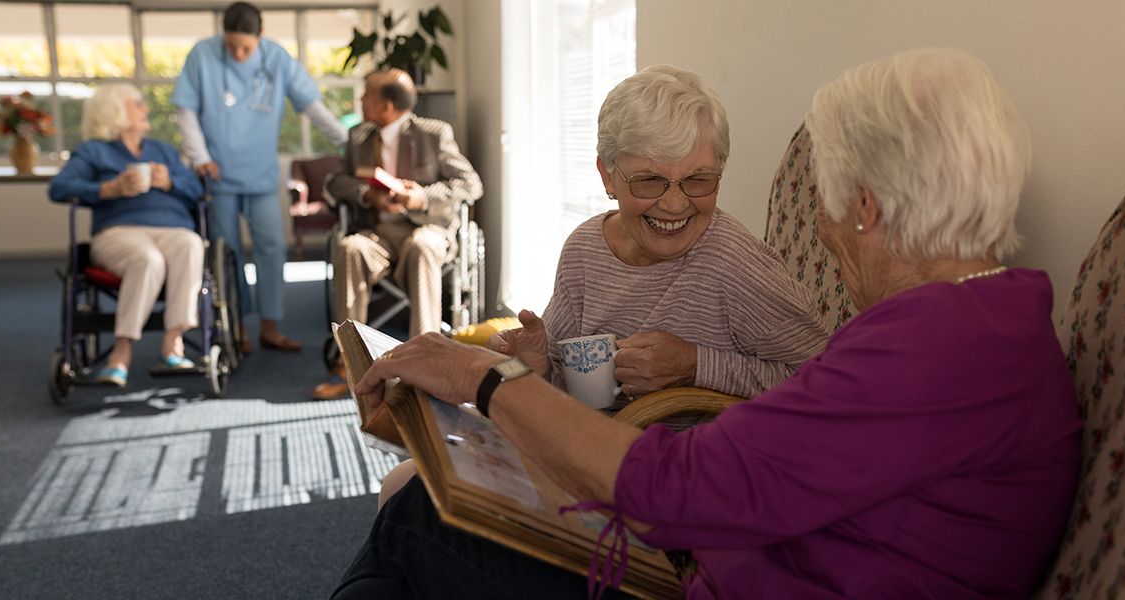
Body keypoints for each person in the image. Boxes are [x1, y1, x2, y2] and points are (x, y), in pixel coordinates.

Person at [331, 49, 1082, 599]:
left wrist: (484, 377)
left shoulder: (939, 349)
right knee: (427, 514)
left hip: (696, 562)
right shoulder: (974, 325)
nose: (819, 227)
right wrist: (528, 374)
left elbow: (676, 486)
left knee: (417, 528)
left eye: (824, 199)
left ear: (867, 207)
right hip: (715, 549)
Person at [373, 65, 830, 508]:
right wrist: (536, 361)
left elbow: (825, 384)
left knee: (417, 504)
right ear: (607, 175)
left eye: (698, 180)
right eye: (649, 180)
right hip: (579, 453)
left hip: (673, 484)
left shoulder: (733, 262)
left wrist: (696, 365)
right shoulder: (585, 249)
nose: (675, 204)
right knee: (404, 483)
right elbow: (562, 379)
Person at [172, 1, 350, 354]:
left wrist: (348, 141)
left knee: (271, 248)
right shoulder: (202, 55)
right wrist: (201, 157)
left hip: (260, 173)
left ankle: (270, 326)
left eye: (246, 47)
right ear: (222, 36)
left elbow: (312, 106)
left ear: (261, 37)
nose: (238, 54)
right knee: (228, 251)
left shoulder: (277, 59)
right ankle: (235, 327)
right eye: (231, 45)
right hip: (217, 173)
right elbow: (185, 111)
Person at [311, 68, 483, 401]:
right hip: (378, 235)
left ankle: (425, 368)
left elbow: (470, 184)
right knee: (349, 248)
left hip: (426, 229)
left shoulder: (434, 133)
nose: (360, 100)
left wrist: (422, 196)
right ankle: (352, 367)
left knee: (422, 247)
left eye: (366, 95)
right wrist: (366, 194)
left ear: (387, 105)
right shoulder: (358, 137)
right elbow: (335, 182)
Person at [48, 83, 205, 388]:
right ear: (116, 112)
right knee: (147, 260)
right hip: (120, 232)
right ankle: (121, 353)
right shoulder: (94, 151)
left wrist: (170, 182)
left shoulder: (163, 151)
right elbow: (59, 188)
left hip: (173, 229)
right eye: (138, 104)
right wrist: (108, 189)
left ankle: (173, 343)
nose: (145, 109)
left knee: (191, 243)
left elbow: (197, 191)